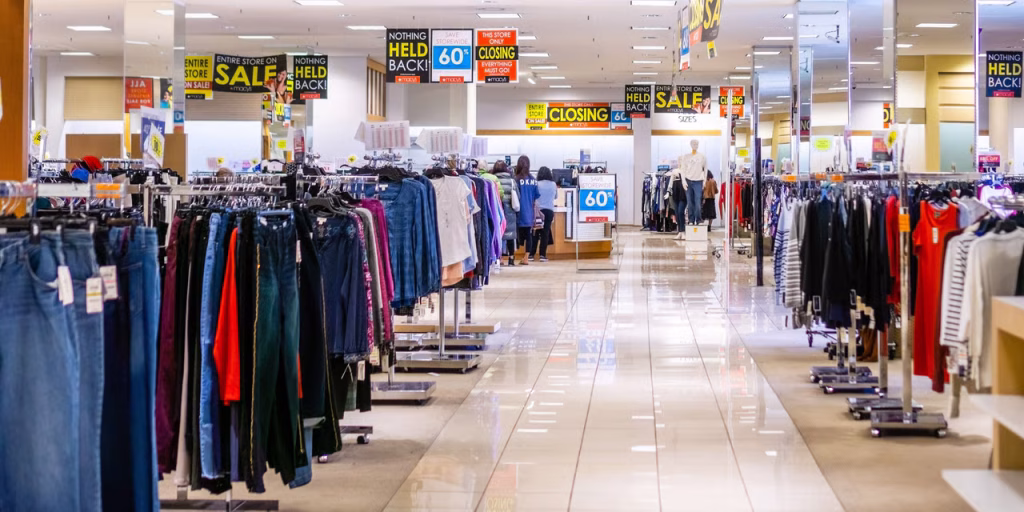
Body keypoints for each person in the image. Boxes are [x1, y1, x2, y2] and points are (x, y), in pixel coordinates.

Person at [492, 160, 520, 266]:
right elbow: (518, 196)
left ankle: (500, 258)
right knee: (510, 237)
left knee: (498, 235)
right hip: (510, 212)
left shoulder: (493, 181)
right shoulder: (512, 181)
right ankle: (511, 259)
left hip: (497, 211)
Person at [514, 156, 539, 266]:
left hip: (517, 212)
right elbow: (535, 197)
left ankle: (510, 256)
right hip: (529, 212)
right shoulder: (533, 180)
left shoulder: (516, 180)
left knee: (515, 235)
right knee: (529, 236)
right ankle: (526, 258)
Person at [530, 167, 557, 262]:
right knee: (545, 233)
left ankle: (531, 255)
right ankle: (542, 255)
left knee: (535, 233)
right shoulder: (553, 184)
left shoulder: (536, 184)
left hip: (538, 211)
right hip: (549, 211)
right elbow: (556, 196)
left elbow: (533, 196)